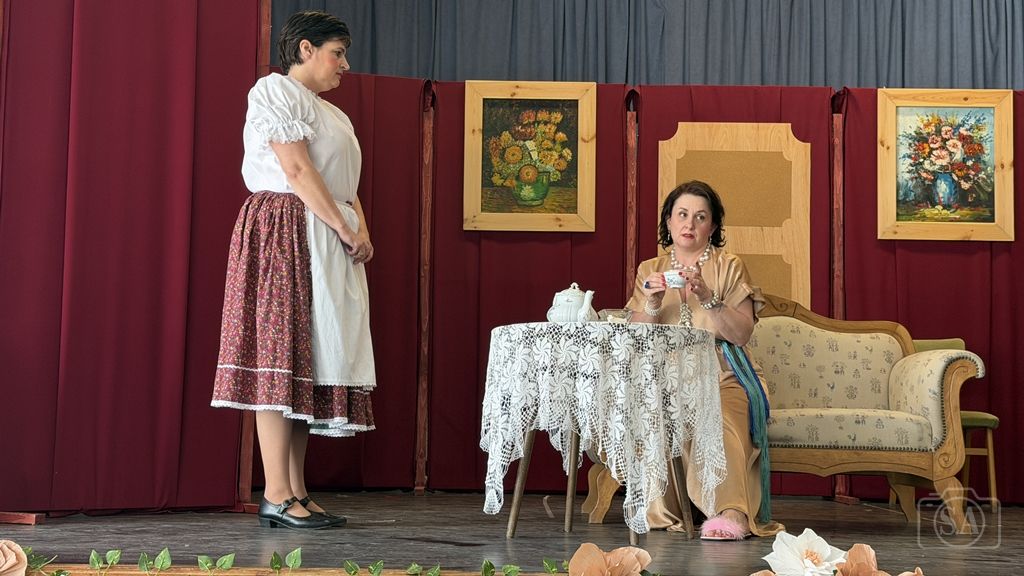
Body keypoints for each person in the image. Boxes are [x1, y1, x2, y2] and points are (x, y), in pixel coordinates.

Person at [211, 10, 376, 530]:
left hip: (326, 232)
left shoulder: (335, 115)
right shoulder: (275, 91)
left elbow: (344, 184)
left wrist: (360, 230)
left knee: (311, 360)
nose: (344, 65)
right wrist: (345, 228)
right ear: (305, 49)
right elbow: (297, 169)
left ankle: (298, 490)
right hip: (287, 230)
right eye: (337, 53)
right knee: (280, 355)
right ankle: (276, 493)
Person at [625, 180, 784, 540]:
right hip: (667, 378)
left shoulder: (730, 266)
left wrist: (708, 298)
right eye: (682, 215)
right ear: (668, 221)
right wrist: (652, 302)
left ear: (712, 226)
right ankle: (673, 510)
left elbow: (741, 335)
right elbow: (636, 337)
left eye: (700, 217)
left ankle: (732, 514)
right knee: (656, 414)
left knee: (722, 420)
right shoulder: (650, 269)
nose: (689, 224)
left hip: (724, 374)